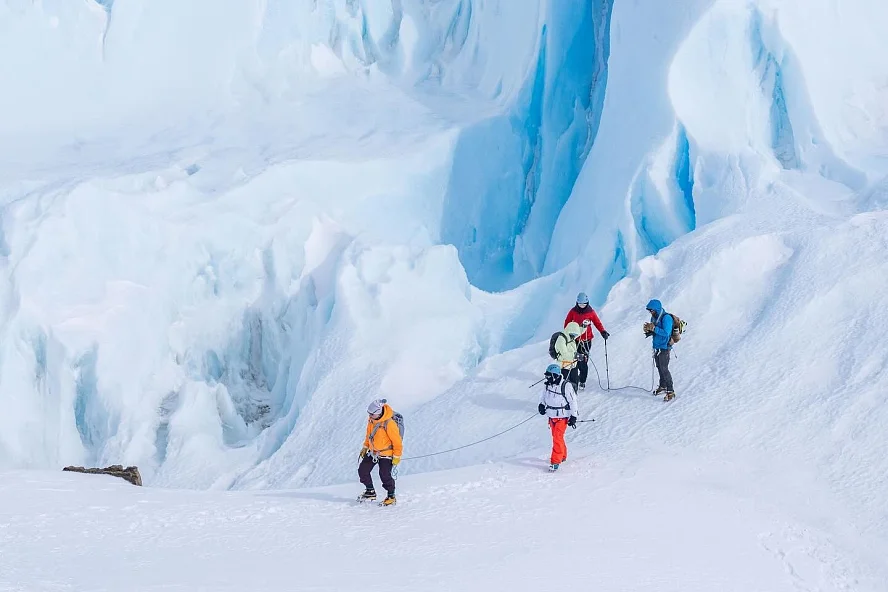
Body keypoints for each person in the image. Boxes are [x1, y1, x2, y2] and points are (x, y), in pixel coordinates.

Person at [358, 399, 402, 505]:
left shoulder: (389, 424)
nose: (369, 415)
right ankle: (370, 491)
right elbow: (369, 435)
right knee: (363, 470)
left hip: (386, 453)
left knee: (384, 475)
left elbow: (397, 442)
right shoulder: (371, 420)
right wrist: (365, 447)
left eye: (371, 414)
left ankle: (391, 496)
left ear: (378, 413)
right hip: (373, 452)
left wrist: (396, 456)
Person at [563, 292, 610, 390]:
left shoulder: (591, 312)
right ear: (577, 303)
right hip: (574, 340)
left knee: (583, 362)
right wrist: (567, 334)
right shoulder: (573, 311)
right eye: (580, 304)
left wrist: (602, 331)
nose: (582, 306)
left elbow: (597, 322)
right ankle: (574, 380)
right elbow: (567, 322)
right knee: (574, 360)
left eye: (583, 304)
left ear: (587, 303)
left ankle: (582, 381)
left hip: (586, 340)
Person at [537, 363, 578, 471]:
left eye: (549, 376)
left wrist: (573, 416)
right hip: (551, 416)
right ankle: (563, 455)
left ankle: (555, 461)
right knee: (557, 438)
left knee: (557, 437)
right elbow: (543, 396)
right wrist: (541, 404)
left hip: (563, 417)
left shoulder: (566, 386)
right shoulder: (547, 385)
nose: (547, 378)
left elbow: (573, 401)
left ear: (555, 375)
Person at [644, 299, 675, 401]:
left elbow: (666, 333)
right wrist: (649, 331)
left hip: (665, 347)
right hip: (657, 347)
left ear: (656, 309)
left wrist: (654, 329)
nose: (650, 312)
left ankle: (670, 391)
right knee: (659, 367)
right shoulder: (654, 317)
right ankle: (663, 386)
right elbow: (656, 330)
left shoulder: (666, 318)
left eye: (652, 310)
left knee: (664, 368)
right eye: (649, 310)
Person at [553, 321, 583, 387]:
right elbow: (564, 354)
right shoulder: (561, 340)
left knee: (575, 384)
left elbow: (579, 332)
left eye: (575, 334)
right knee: (566, 386)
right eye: (573, 334)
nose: (574, 336)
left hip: (573, 365)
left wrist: (584, 326)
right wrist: (576, 355)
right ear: (569, 330)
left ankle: (574, 395)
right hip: (564, 367)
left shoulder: (571, 337)